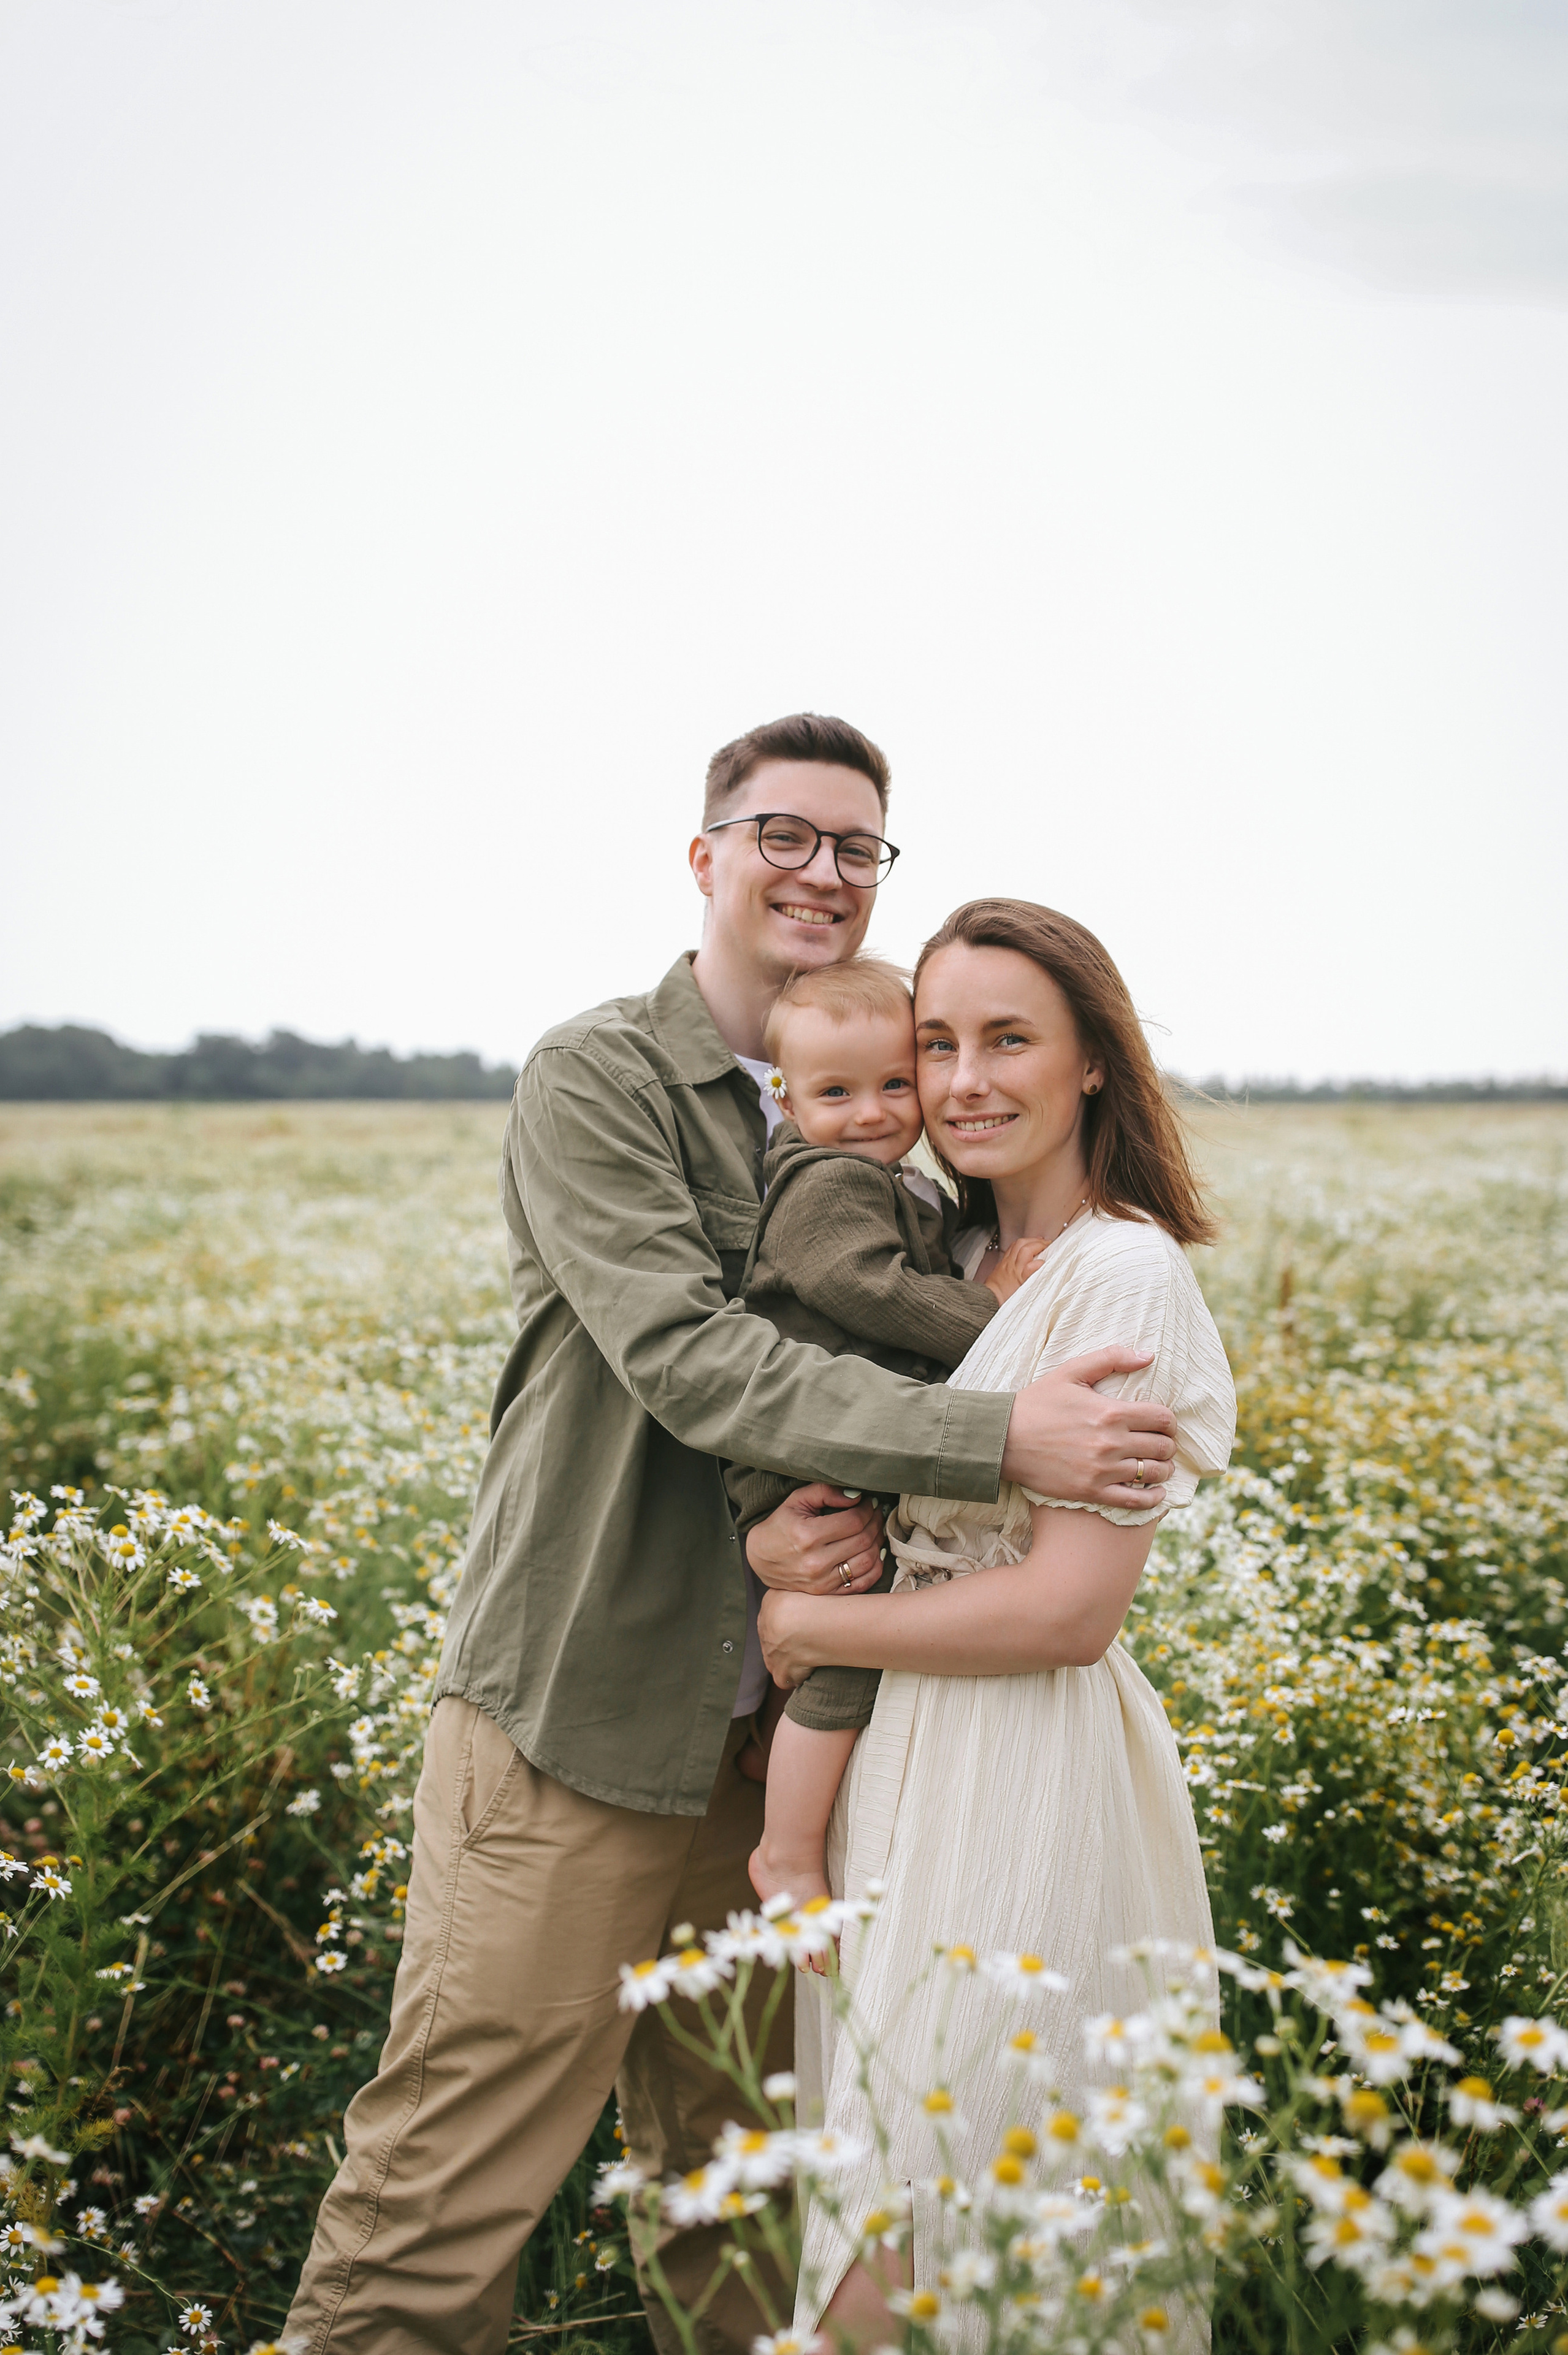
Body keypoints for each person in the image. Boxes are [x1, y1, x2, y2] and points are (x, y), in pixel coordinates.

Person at [285, 722, 1184, 2355]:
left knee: (745, 2202)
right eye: (786, 833)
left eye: (860, 847)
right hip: (585, 1715)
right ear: (705, 856)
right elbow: (695, 1362)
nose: (824, 872)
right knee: (445, 2189)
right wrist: (1000, 1431)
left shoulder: (906, 1123)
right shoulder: (603, 1079)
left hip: (788, 1753)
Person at [756, 897, 1237, 2347]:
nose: (962, 1082)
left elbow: (1066, 1612)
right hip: (885, 1776)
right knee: (877, 2211)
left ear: (1092, 1058)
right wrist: (787, 1556)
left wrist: (812, 1633)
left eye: (1008, 1040)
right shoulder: (942, 1264)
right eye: (938, 1044)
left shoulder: (1122, 1271)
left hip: (1022, 1776)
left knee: (937, 2252)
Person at [725, 954, 1047, 1915]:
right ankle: (784, 1851)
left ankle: (763, 1751)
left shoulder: (884, 1176)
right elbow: (864, 1289)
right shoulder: (830, 1184)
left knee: (846, 1618)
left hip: (842, 1435)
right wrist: (988, 1312)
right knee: (852, 1651)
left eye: (894, 1084)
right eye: (837, 1092)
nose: (871, 1112)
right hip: (804, 1458)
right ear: (785, 1097)